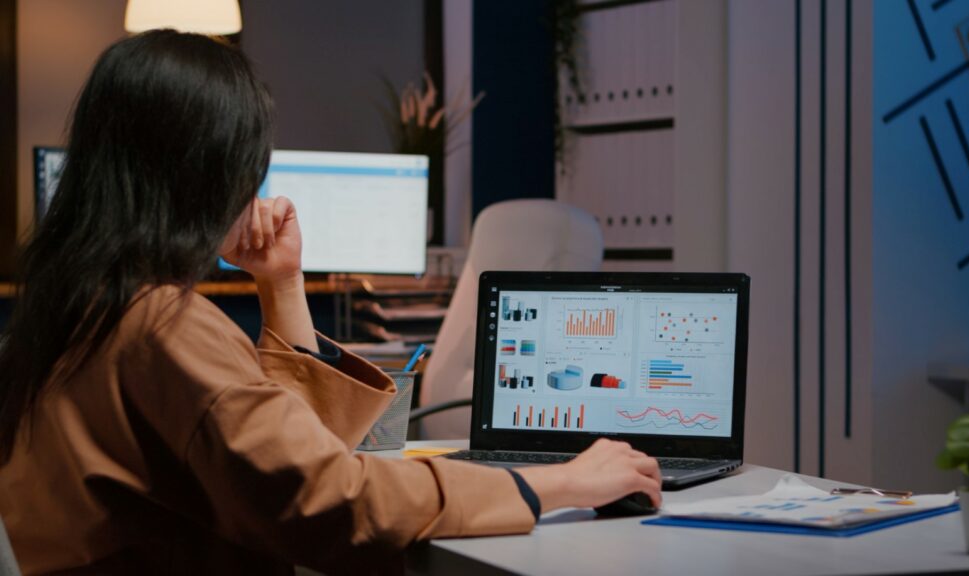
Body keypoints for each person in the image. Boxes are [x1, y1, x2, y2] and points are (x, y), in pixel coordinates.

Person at [0, 30, 661, 574]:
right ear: (211, 173)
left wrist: (282, 284)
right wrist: (559, 483)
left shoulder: (82, 302)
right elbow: (329, 496)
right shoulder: (161, 326)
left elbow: (283, 452)